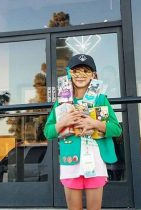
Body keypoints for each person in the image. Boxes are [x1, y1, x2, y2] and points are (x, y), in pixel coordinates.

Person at [44, 54, 122, 210]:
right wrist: (63, 123)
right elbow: (48, 132)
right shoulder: (62, 102)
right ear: (69, 74)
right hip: (70, 161)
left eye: (86, 71)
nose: (80, 75)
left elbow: (116, 129)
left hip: (96, 161)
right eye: (75, 71)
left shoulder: (100, 100)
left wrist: (94, 123)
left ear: (93, 75)